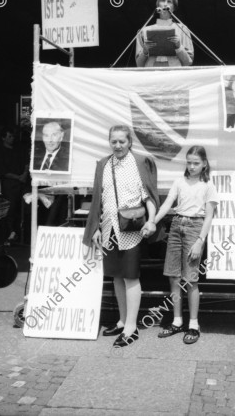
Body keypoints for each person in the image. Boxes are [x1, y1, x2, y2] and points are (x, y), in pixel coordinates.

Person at [82, 125, 159, 348]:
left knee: (131, 276)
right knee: (116, 276)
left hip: (131, 230)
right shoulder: (103, 164)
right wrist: (95, 226)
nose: (117, 145)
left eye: (121, 141)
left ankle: (131, 328)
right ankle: (122, 320)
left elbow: (149, 198)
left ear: (130, 142)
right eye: (113, 141)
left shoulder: (140, 163)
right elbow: (99, 198)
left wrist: (152, 221)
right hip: (108, 229)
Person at [152, 145, 218, 344]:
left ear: (204, 164)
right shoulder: (179, 181)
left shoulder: (208, 185)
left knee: (190, 278)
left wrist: (200, 241)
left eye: (196, 163)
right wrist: (152, 221)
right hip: (176, 225)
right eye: (189, 162)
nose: (192, 166)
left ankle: (194, 324)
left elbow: (208, 217)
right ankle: (177, 320)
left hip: (194, 227)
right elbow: (167, 204)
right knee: (173, 276)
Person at [135, 0, 194, 67]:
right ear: (157, 5)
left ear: (174, 8)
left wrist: (179, 47)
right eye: (163, 1)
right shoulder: (144, 31)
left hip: (174, 74)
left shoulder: (182, 29)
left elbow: (188, 62)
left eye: (169, 2)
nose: (165, 4)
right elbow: (139, 64)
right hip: (152, 75)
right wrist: (145, 51)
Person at [0, 126, 28, 244]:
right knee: (11, 208)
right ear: (3, 138)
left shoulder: (18, 150)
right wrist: (18, 177)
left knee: (24, 207)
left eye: (12, 136)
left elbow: (26, 163)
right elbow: (3, 171)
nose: (12, 138)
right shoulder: (0, 153)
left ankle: (23, 231)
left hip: (22, 181)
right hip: (10, 183)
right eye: (9, 136)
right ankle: (11, 232)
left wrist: (24, 174)